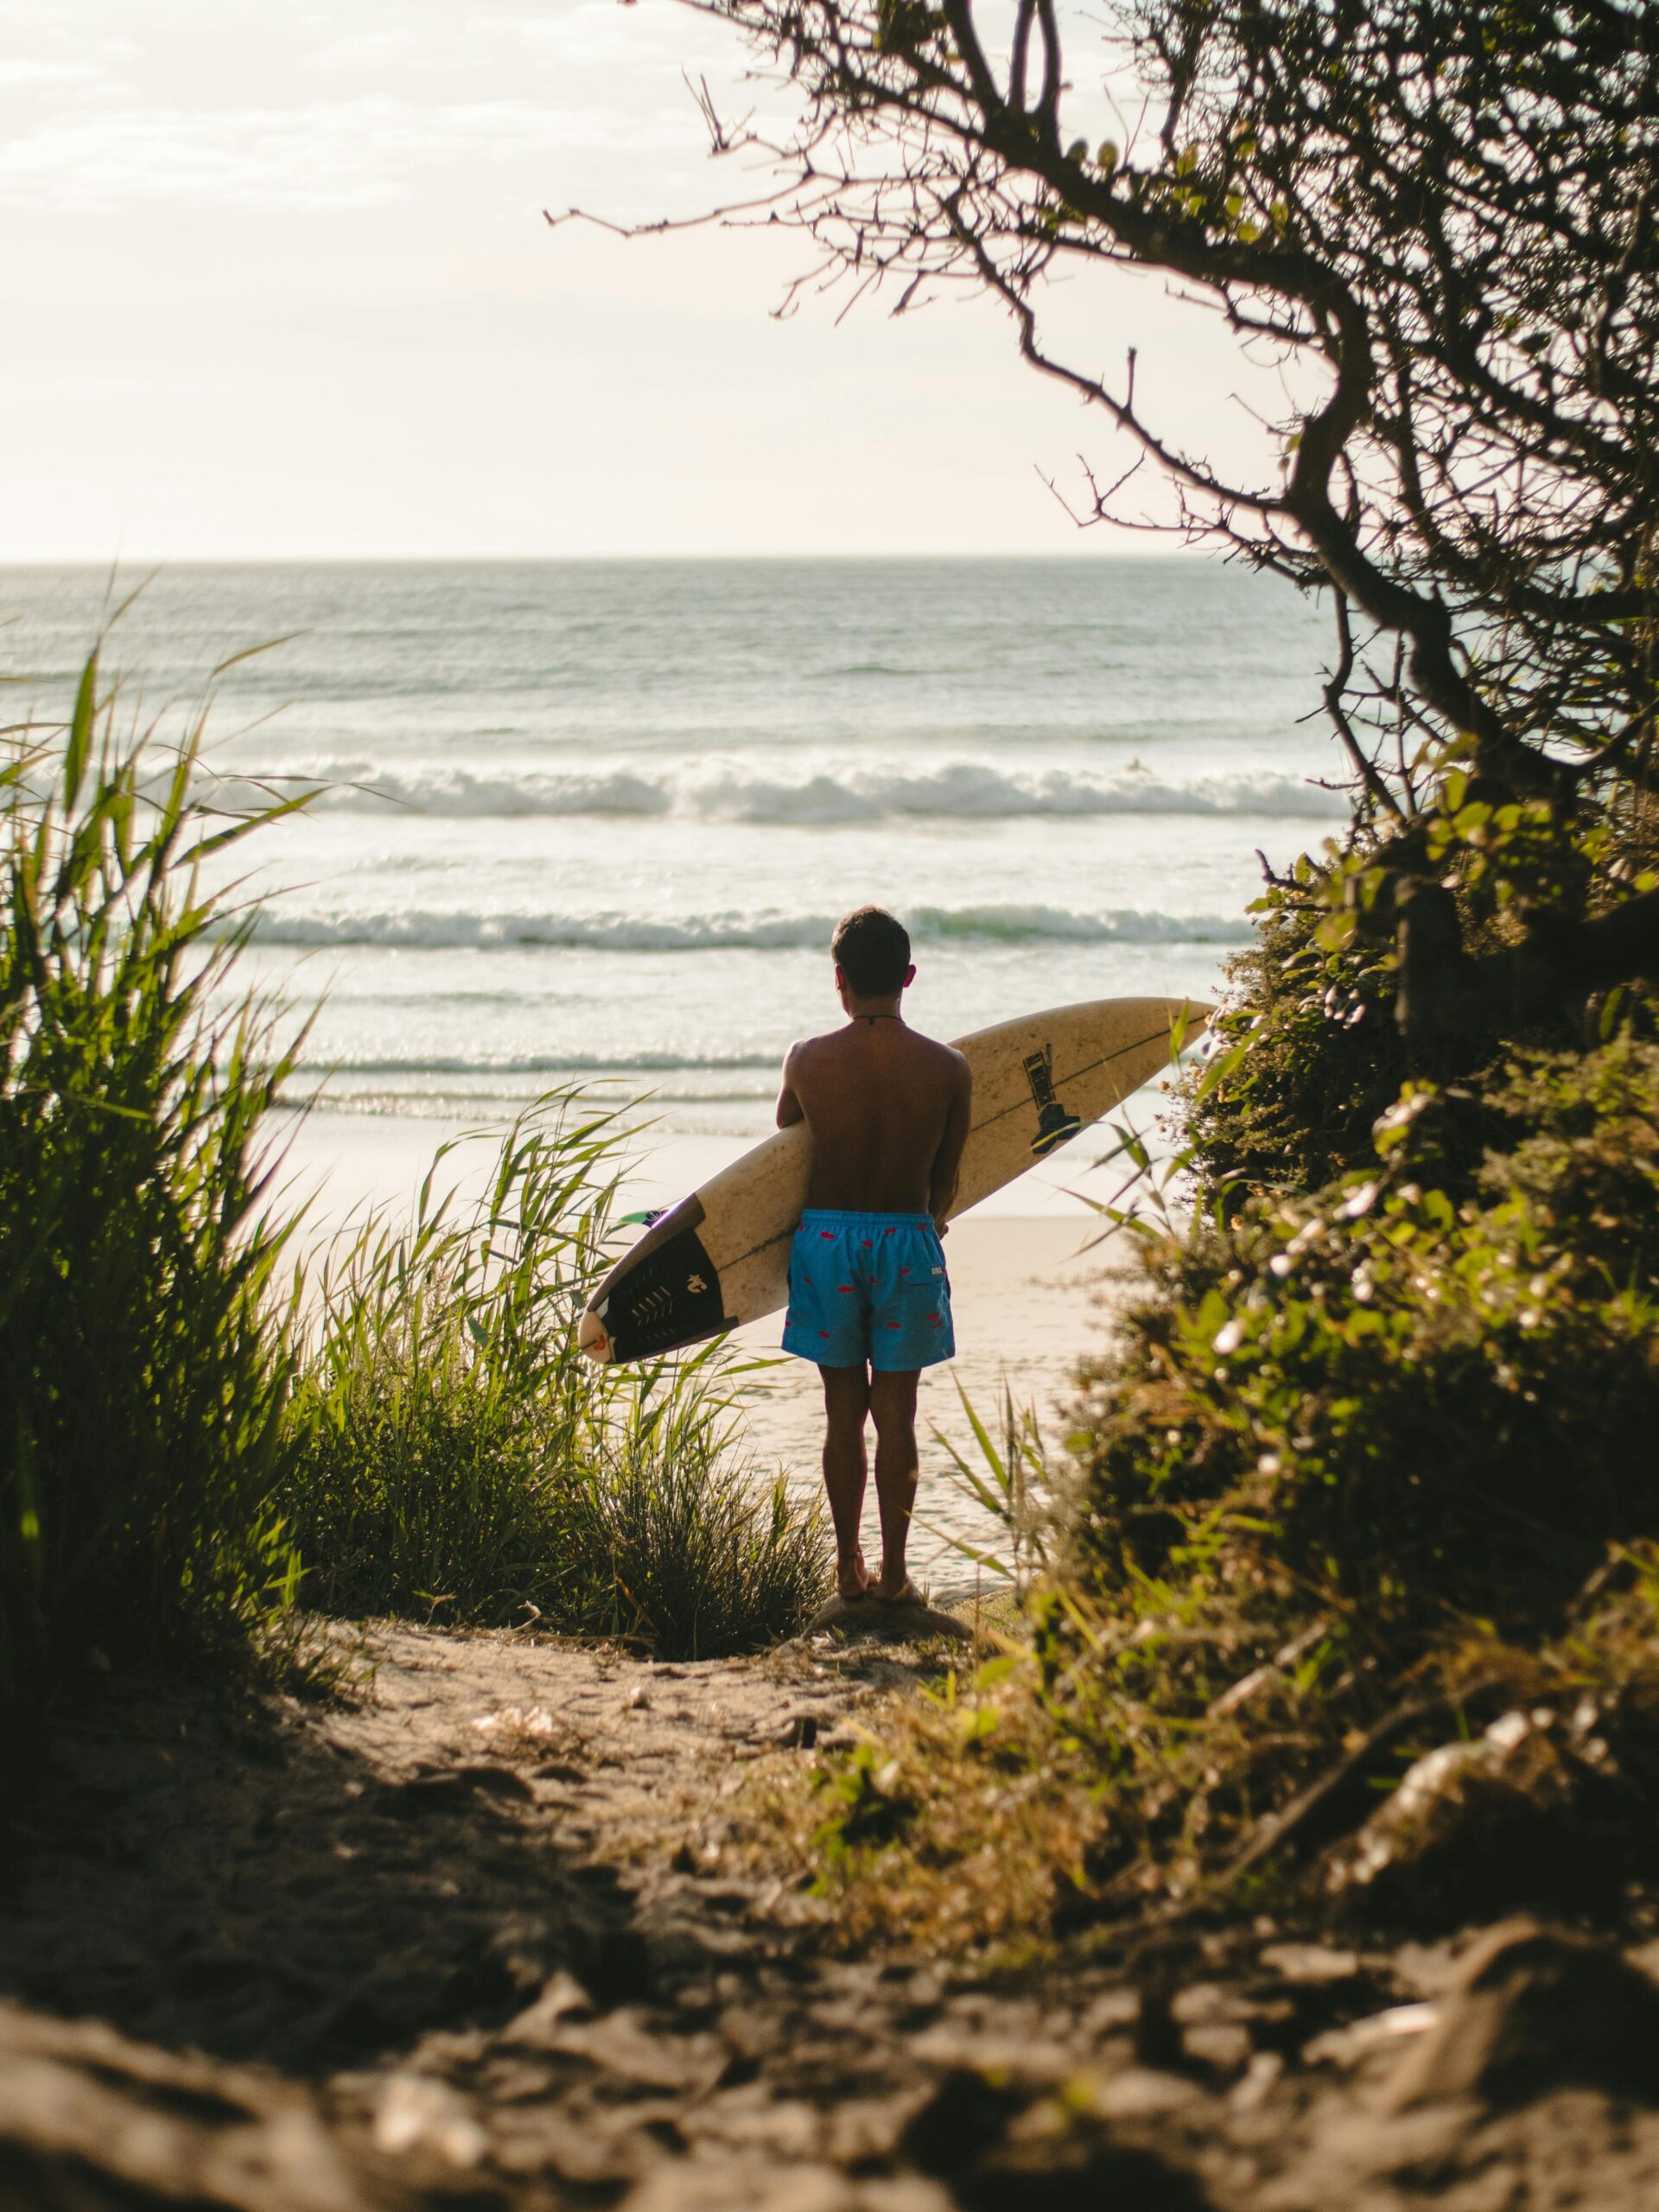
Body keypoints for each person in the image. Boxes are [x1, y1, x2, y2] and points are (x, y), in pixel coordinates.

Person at [775, 906, 971, 1603]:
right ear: (909, 977)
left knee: (841, 1414)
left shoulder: (806, 1059)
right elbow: (946, 1177)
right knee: (897, 1414)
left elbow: (786, 1140)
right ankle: (895, 1575)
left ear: (839, 981)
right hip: (907, 1238)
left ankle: (847, 1569)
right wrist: (928, 1225)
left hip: (826, 1243)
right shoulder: (950, 1068)